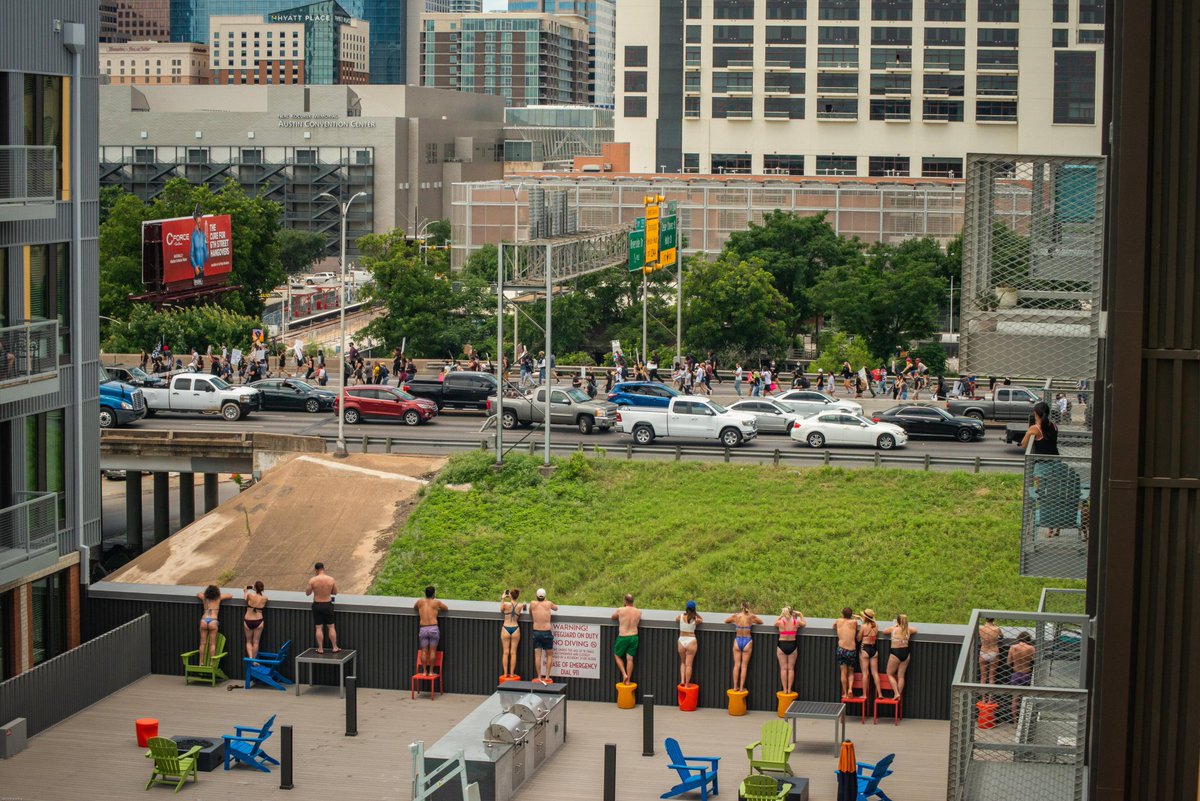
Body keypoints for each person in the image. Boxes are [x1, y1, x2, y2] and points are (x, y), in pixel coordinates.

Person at [725, 601, 762, 693]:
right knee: (744, 666)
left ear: (741, 607)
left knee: (736, 665)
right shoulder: (751, 616)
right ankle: (741, 688)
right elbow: (761, 622)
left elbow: (726, 621)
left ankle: (735, 687)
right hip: (747, 641)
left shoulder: (736, 616)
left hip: (737, 640)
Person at [881, 614, 917, 701]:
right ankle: (899, 695)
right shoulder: (908, 630)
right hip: (906, 653)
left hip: (895, 653)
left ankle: (896, 693)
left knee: (889, 674)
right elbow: (915, 629)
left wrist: (895, 625)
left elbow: (884, 631)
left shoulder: (894, 629)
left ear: (898, 621)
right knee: (901, 676)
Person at [305, 563, 340, 653]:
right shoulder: (331, 579)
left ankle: (320, 649)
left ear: (316, 570)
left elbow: (307, 593)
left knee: (319, 628)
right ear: (323, 569)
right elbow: (335, 592)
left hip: (317, 604)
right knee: (331, 627)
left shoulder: (312, 580)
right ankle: (334, 647)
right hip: (327, 604)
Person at [774, 605, 806, 695]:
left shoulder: (780, 622)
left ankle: (784, 689)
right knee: (791, 669)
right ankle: (789, 689)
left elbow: (774, 623)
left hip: (782, 645)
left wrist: (781, 615)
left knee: (783, 669)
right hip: (792, 644)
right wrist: (800, 614)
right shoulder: (796, 622)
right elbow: (804, 623)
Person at [415, 585, 448, 670]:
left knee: (424, 651)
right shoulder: (436, 602)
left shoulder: (420, 602)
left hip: (423, 629)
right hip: (433, 628)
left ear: (425, 594)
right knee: (433, 651)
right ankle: (431, 672)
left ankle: (424, 672)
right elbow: (445, 608)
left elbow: (415, 607)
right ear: (433, 594)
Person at [611, 593, 642, 684]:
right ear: (633, 601)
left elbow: (613, 617)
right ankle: (628, 680)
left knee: (617, 655)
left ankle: (624, 674)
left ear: (625, 601)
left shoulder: (621, 610)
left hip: (623, 637)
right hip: (634, 637)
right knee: (630, 659)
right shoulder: (638, 612)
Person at [529, 588, 558, 684]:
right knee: (549, 655)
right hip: (546, 632)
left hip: (536, 632)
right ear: (545, 596)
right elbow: (556, 608)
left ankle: (539, 676)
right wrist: (546, 600)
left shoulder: (532, 603)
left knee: (538, 656)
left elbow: (530, 613)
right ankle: (547, 676)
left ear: (536, 596)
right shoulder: (548, 603)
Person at [196, 584, 232, 660]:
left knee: (202, 643)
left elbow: (198, 594)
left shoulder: (204, 598)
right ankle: (212, 663)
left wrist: (205, 594)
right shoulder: (218, 598)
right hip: (213, 621)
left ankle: (201, 662)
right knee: (212, 644)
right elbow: (230, 595)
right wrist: (219, 593)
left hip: (204, 620)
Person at [1007, 631, 1036, 721]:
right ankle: (1024, 721)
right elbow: (1035, 660)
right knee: (1026, 699)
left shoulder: (1013, 647)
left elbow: (1008, 663)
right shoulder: (1031, 648)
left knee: (1015, 699)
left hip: (1015, 674)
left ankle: (1015, 722)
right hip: (1026, 674)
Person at [833, 607, 859, 699]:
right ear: (851, 615)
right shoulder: (854, 622)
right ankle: (850, 689)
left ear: (842, 614)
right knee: (851, 672)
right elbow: (862, 620)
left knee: (843, 672)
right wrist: (856, 616)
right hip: (851, 650)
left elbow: (833, 626)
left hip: (841, 649)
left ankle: (845, 692)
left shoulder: (838, 621)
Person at [676, 601, 702, 686]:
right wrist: (695, 613)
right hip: (691, 640)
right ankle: (687, 684)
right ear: (694, 609)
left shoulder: (681, 616)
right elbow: (701, 619)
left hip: (681, 640)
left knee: (682, 662)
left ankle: (682, 680)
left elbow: (676, 619)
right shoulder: (695, 619)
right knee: (689, 665)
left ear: (686, 608)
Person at [856, 609, 880, 698]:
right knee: (875, 673)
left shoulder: (863, 627)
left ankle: (864, 694)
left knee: (865, 673)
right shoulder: (876, 625)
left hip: (865, 649)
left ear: (865, 617)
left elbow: (858, 639)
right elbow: (871, 623)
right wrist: (860, 618)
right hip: (874, 649)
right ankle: (880, 694)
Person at [500, 588, 524, 678]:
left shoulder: (506, 604)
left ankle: (505, 673)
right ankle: (512, 673)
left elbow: (501, 609)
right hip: (515, 628)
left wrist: (502, 598)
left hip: (506, 628)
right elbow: (525, 607)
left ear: (509, 595)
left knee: (505, 652)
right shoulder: (520, 605)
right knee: (513, 652)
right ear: (517, 596)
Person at [243, 581, 267, 660]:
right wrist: (257, 590)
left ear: (255, 588)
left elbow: (245, 598)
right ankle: (254, 660)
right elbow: (259, 597)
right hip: (259, 621)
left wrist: (246, 590)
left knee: (248, 641)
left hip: (248, 620)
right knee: (256, 642)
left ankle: (250, 658)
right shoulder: (265, 598)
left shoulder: (250, 595)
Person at [979, 617, 1002, 692]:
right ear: (994, 619)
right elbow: (1002, 636)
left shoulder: (981, 628)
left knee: (983, 677)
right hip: (993, 651)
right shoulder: (997, 628)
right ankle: (990, 700)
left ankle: (983, 699)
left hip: (983, 651)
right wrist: (995, 626)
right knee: (992, 677)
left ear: (985, 619)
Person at [189, 208, 208, 287]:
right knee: (197, 287)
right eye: (198, 222)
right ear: (195, 222)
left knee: (202, 288)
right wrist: (195, 266)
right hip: (197, 268)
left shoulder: (203, 235)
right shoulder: (194, 236)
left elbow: (206, 255)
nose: (199, 224)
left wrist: (207, 244)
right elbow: (191, 255)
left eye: (200, 222)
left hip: (202, 267)